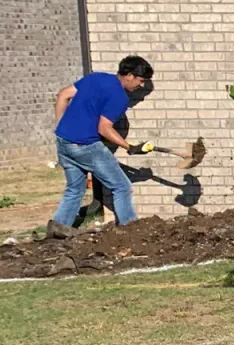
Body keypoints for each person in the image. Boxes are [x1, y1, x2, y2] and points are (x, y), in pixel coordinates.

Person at [48, 56, 155, 236]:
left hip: (63, 141)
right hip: (85, 145)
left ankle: (58, 230)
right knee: (122, 186)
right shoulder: (119, 97)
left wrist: (61, 126)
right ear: (129, 75)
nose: (142, 86)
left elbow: (63, 95)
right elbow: (104, 128)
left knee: (75, 189)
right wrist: (129, 147)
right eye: (141, 80)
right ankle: (131, 232)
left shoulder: (95, 78)